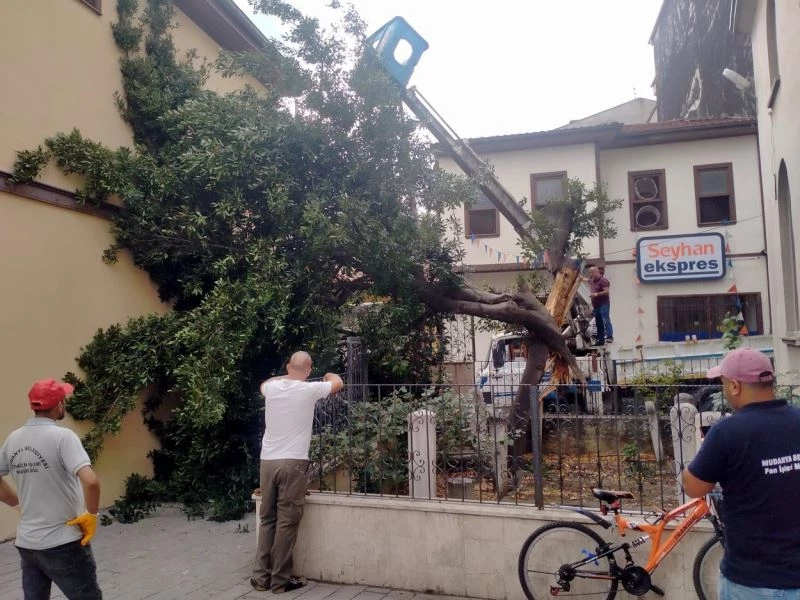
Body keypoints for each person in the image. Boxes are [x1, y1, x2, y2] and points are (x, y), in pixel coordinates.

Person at [682, 347, 800, 599]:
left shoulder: (728, 432)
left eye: (723, 384)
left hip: (750, 582)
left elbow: (693, 488)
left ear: (735, 386)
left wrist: (704, 455)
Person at [0, 378, 102, 600]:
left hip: (28, 544)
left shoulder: (13, 439)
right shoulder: (63, 437)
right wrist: (91, 515)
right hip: (63, 543)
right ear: (59, 405)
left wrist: (17, 503)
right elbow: (91, 481)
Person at [251, 352, 343, 594]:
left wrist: (290, 374)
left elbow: (266, 383)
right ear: (309, 370)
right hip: (293, 462)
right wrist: (326, 375)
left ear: (288, 367)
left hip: (268, 461)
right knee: (287, 521)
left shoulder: (272, 389)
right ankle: (280, 581)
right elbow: (337, 383)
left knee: (267, 518)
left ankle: (261, 578)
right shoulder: (308, 390)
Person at [589, 266, 613, 345]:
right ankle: (600, 340)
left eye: (592, 272)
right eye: (590, 272)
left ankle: (610, 337)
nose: (591, 274)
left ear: (597, 272)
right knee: (598, 322)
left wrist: (595, 294)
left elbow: (606, 292)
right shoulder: (592, 281)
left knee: (605, 319)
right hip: (596, 306)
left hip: (603, 304)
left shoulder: (603, 280)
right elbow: (586, 280)